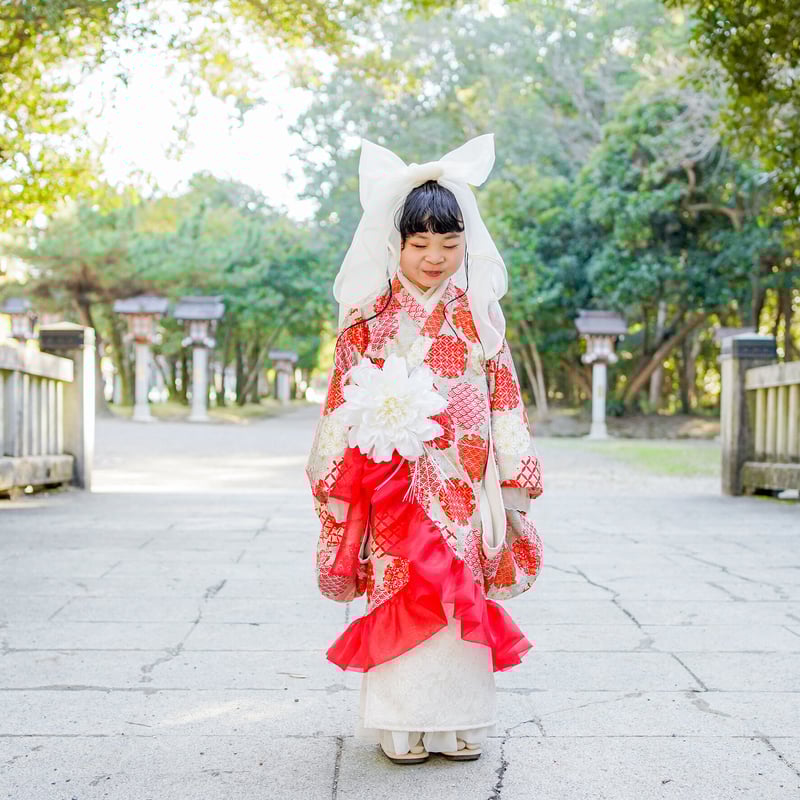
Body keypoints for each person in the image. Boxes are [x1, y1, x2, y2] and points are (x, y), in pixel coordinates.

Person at [305, 133, 543, 765]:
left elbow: (503, 396)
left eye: (449, 243)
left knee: (459, 589)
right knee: (398, 586)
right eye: (420, 244)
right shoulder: (369, 318)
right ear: (397, 243)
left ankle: (460, 721)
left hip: (463, 478)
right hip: (391, 478)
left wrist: (514, 474)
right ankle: (399, 723)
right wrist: (334, 480)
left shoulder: (477, 318)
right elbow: (338, 401)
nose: (434, 258)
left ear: (466, 244)